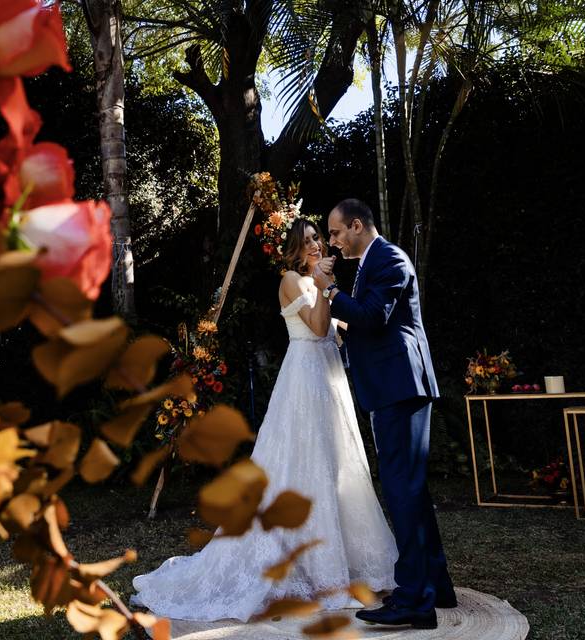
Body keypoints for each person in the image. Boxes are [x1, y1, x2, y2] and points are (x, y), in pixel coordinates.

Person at [131, 219, 397, 622]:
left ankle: (347, 563)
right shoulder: (292, 279)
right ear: (292, 250)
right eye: (305, 241)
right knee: (301, 466)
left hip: (329, 381)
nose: (314, 245)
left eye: (316, 239)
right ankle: (312, 569)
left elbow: (340, 330)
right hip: (304, 380)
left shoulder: (320, 283)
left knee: (336, 465)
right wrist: (326, 288)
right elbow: (319, 326)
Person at [312, 198, 455, 630]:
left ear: (356, 225)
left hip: (400, 387)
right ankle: (435, 584)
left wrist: (329, 291)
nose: (332, 242)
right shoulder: (372, 263)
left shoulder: (388, 258)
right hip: (391, 387)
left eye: (336, 233)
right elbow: (368, 325)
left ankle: (414, 601)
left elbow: (373, 318)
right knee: (410, 490)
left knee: (401, 490)